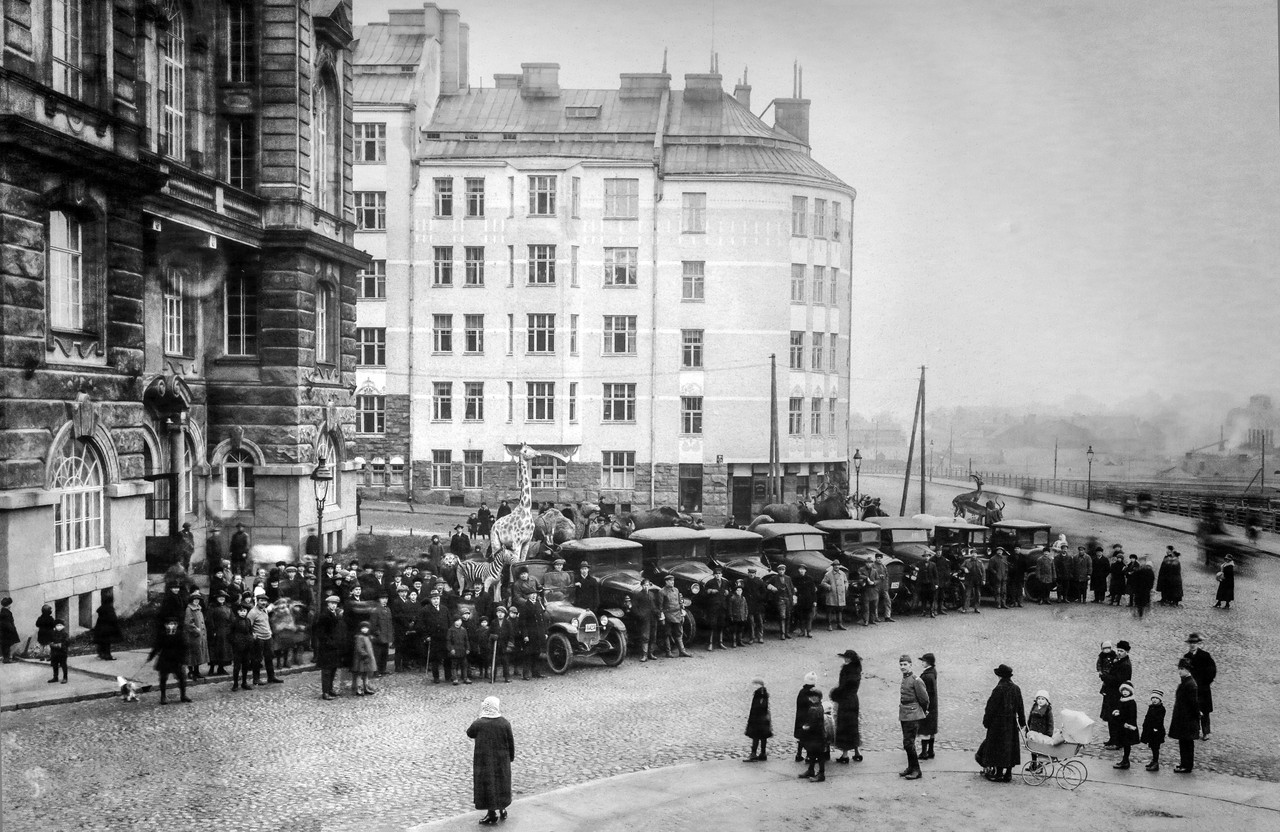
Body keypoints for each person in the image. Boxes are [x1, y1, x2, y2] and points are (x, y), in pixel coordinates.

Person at [466, 696, 515, 826]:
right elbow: (510, 742)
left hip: (485, 761)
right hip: (501, 760)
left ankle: (491, 813)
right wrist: (511, 757)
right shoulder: (504, 723)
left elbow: (470, 733)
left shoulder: (479, 723)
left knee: (489, 786)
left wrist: (480, 717)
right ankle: (502, 808)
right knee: (501, 784)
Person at [979, 664, 1025, 782]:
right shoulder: (1016, 688)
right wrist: (1022, 721)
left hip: (998, 724)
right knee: (1009, 748)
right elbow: (1020, 707)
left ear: (999, 676)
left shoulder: (999, 689)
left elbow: (991, 707)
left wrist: (986, 721)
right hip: (1011, 723)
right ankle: (1008, 774)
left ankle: (999, 774)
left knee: (998, 748)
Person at [898, 655, 929, 780]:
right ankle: (911, 767)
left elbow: (924, 698)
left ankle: (916, 770)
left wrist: (923, 710)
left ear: (910, 665)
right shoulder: (905, 678)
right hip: (905, 714)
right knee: (907, 743)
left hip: (913, 715)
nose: (903, 667)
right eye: (901, 664)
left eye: (905, 664)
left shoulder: (916, 680)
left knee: (909, 743)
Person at [147, 617, 191, 705]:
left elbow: (185, 648)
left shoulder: (180, 634)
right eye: (169, 624)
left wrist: (184, 660)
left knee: (182, 677)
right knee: (163, 678)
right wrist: (151, 656)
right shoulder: (162, 634)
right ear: (166, 625)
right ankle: (163, 696)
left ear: (176, 625)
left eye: (174, 624)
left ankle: (183, 695)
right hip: (165, 659)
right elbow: (157, 647)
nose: (172, 626)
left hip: (177, 659)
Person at [831, 649, 863, 763]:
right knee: (853, 726)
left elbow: (843, 686)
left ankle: (845, 755)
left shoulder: (846, 670)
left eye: (847, 658)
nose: (845, 659)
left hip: (845, 701)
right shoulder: (857, 669)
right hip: (854, 700)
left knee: (844, 727)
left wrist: (835, 694)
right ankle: (857, 751)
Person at [1182, 632, 1217, 739]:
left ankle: (1206, 732)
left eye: (1195, 643)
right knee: (1192, 710)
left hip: (1203, 688)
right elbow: (1183, 672)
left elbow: (1212, 670)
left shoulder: (1205, 656)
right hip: (1191, 688)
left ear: (1198, 644)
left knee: (1204, 711)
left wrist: (1206, 682)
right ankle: (1194, 731)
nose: (1192, 645)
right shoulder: (1186, 657)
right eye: (1191, 643)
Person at [1169, 658, 1200, 773]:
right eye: (1179, 669)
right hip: (1183, 718)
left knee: (1187, 743)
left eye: (1182, 669)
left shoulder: (1190, 684)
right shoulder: (1186, 682)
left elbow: (1193, 704)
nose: (1180, 671)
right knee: (1183, 742)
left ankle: (1187, 766)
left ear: (1187, 670)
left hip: (1187, 719)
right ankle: (1184, 763)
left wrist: (1194, 717)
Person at [1101, 640, 1133, 748]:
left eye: (1121, 651)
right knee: (1111, 717)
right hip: (1111, 693)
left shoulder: (1125, 665)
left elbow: (1118, 680)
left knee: (1116, 718)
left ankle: (1117, 741)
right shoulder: (1119, 661)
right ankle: (1112, 739)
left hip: (1117, 695)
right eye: (1118, 650)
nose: (1119, 652)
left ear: (1127, 652)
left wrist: (1105, 677)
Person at [246, 595, 283, 686]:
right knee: (257, 659)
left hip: (268, 637)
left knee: (269, 658)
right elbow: (248, 626)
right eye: (261, 601)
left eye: (265, 601)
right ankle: (256, 679)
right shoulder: (253, 612)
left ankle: (271, 677)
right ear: (257, 601)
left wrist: (269, 633)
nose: (263, 603)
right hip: (259, 639)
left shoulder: (264, 610)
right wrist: (254, 635)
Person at [796, 690, 831, 782]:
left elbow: (814, 723)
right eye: (811, 697)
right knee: (812, 753)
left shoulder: (814, 709)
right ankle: (811, 770)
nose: (812, 698)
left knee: (819, 755)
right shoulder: (818, 707)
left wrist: (806, 727)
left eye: (814, 697)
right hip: (817, 735)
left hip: (816, 735)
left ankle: (821, 773)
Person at [658, 574, 692, 657]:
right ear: (666, 582)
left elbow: (680, 602)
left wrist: (681, 610)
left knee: (679, 633)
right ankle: (668, 652)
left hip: (677, 614)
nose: (672, 582)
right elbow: (660, 606)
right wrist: (662, 615)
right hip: (668, 615)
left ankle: (682, 651)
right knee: (667, 633)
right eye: (670, 581)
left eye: (673, 581)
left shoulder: (676, 590)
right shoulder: (662, 592)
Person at [629, 578, 660, 662]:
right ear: (642, 586)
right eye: (645, 585)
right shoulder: (638, 595)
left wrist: (658, 613)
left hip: (653, 617)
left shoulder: (652, 594)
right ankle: (644, 655)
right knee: (645, 636)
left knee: (653, 636)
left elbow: (654, 606)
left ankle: (651, 653)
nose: (646, 587)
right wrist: (640, 615)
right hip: (644, 618)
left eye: (647, 585)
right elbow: (634, 607)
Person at [1110, 682, 1140, 768]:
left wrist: (1128, 724)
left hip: (1127, 727)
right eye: (1123, 690)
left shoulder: (1131, 702)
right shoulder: (1121, 700)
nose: (1125, 692)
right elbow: (1120, 710)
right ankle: (1124, 760)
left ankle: (1126, 760)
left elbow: (1132, 715)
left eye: (1127, 690)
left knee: (1127, 744)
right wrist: (1116, 712)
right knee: (1123, 743)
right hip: (1122, 726)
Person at [793, 671, 820, 762]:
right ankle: (809, 755)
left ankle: (798, 754)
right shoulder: (813, 693)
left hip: (800, 716)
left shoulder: (801, 692)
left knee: (801, 737)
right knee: (809, 737)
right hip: (809, 717)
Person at [229, 601, 256, 692]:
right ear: (237, 612)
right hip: (238, 647)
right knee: (237, 666)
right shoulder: (234, 621)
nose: (243, 613)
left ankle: (244, 682)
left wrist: (251, 639)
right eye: (241, 611)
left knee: (246, 665)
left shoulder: (248, 621)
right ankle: (235, 684)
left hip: (247, 646)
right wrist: (235, 642)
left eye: (244, 611)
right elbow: (230, 634)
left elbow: (250, 632)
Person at [744, 676, 773, 761]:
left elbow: (759, 706)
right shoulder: (763, 693)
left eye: (754, 684)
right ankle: (763, 753)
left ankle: (754, 753)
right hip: (763, 719)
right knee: (763, 736)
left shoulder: (759, 694)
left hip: (758, 719)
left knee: (755, 735)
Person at [702, 565, 731, 649]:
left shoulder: (725, 582)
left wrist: (727, 592)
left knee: (721, 624)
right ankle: (710, 643)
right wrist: (710, 591)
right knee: (712, 624)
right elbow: (704, 593)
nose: (718, 575)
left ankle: (720, 642)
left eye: (719, 574)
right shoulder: (710, 582)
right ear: (713, 575)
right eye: (716, 574)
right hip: (713, 607)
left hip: (722, 606)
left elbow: (729, 592)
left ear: (722, 574)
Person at [917, 652, 939, 760]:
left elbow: (924, 693)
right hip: (933, 706)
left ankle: (924, 752)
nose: (922, 663)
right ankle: (931, 751)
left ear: (928, 662)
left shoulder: (926, 676)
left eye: (923, 661)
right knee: (931, 730)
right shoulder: (933, 672)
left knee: (925, 729)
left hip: (927, 707)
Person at [184, 594, 209, 681]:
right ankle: (191, 672)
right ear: (191, 600)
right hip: (192, 636)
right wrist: (196, 630)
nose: (196, 601)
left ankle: (197, 671)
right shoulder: (189, 609)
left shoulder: (199, 609)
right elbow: (188, 623)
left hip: (200, 636)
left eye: (198, 599)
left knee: (198, 654)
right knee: (192, 654)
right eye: (195, 599)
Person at [1026, 690, 1053, 770]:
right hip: (1033, 732)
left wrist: (1049, 733)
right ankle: (1033, 764)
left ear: (1047, 701)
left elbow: (1050, 722)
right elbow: (1030, 719)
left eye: (1043, 699)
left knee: (1041, 750)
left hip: (1042, 733)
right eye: (1039, 699)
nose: (1040, 701)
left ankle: (1040, 766)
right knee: (1033, 748)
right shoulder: (1034, 708)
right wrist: (1027, 730)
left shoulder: (1048, 710)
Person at [1141, 689, 1167, 772]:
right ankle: (1153, 761)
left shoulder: (1161, 709)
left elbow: (1159, 720)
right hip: (1150, 731)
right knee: (1152, 746)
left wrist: (1155, 728)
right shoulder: (1151, 707)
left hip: (1156, 732)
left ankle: (1156, 762)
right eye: (1153, 698)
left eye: (1156, 698)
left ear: (1160, 700)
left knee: (1156, 747)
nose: (1154, 700)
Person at [369, 593, 394, 677]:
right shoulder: (375, 610)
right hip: (378, 637)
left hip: (386, 636)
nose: (385, 600)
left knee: (384, 654)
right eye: (383, 598)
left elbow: (390, 623)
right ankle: (375, 671)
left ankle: (383, 669)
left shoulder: (388, 609)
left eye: (386, 598)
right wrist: (378, 634)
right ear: (379, 599)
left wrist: (390, 635)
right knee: (377, 655)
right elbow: (373, 624)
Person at [350, 621, 377, 695]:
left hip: (367, 658)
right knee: (359, 674)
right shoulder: (359, 637)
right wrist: (364, 655)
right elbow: (359, 648)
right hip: (361, 659)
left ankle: (366, 687)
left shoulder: (367, 637)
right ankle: (358, 688)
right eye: (363, 628)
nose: (365, 629)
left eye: (366, 628)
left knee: (366, 674)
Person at [820, 563, 849, 630]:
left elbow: (846, 581)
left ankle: (839, 624)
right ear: (833, 566)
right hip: (831, 595)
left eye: (838, 565)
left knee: (840, 610)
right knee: (830, 610)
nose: (836, 566)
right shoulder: (828, 574)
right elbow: (823, 583)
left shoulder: (842, 573)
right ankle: (829, 625)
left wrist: (845, 586)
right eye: (835, 565)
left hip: (840, 595)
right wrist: (829, 587)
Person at [92, 595, 122, 661]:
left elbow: (99, 619)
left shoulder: (101, 608)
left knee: (102, 642)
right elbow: (113, 619)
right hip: (108, 629)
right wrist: (116, 628)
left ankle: (102, 654)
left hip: (100, 629)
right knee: (107, 643)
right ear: (110, 601)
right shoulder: (110, 609)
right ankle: (108, 656)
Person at [792, 564, 817, 637]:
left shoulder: (810, 579)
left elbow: (813, 591)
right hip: (800, 601)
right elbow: (792, 588)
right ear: (798, 570)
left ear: (805, 570)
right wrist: (794, 589)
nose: (801, 571)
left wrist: (815, 601)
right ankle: (802, 631)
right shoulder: (795, 579)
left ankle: (809, 631)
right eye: (800, 569)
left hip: (809, 600)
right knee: (801, 617)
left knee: (809, 617)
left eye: (803, 569)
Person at [744, 566, 767, 643]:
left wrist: (760, 598)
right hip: (749, 604)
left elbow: (764, 592)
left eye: (753, 573)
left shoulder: (759, 581)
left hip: (758, 604)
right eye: (750, 573)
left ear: (755, 574)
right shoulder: (745, 581)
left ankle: (760, 637)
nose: (751, 575)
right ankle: (752, 637)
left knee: (760, 621)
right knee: (751, 622)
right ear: (748, 573)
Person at [0, 597, 18, 663]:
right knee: (7, 645)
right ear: (7, 605)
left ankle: (6, 658)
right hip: (7, 632)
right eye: (9, 604)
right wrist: (12, 629)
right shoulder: (6, 613)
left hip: (4, 632)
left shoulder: (3, 611)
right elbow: (7, 623)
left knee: (5, 645)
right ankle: (7, 659)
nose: (10, 606)